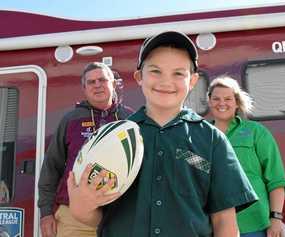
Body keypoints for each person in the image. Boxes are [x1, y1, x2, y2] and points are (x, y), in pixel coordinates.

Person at [67, 31, 258, 237]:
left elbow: (224, 221)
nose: (166, 82)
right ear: (139, 77)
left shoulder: (212, 140)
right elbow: (100, 217)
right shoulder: (113, 139)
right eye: (156, 71)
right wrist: (82, 207)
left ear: (193, 80)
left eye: (178, 73)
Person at [38, 62, 134, 237]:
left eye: (102, 80)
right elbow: (51, 166)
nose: (97, 85)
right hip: (74, 217)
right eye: (91, 82)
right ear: (84, 88)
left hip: (121, 215)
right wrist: (45, 212)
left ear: (113, 84)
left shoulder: (130, 120)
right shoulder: (71, 120)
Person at [207, 75, 285, 237]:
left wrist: (276, 218)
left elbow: (276, 179)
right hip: (214, 224)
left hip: (253, 223)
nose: (222, 103)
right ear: (210, 102)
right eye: (216, 98)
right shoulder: (201, 136)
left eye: (228, 98)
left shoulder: (256, 132)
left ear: (237, 102)